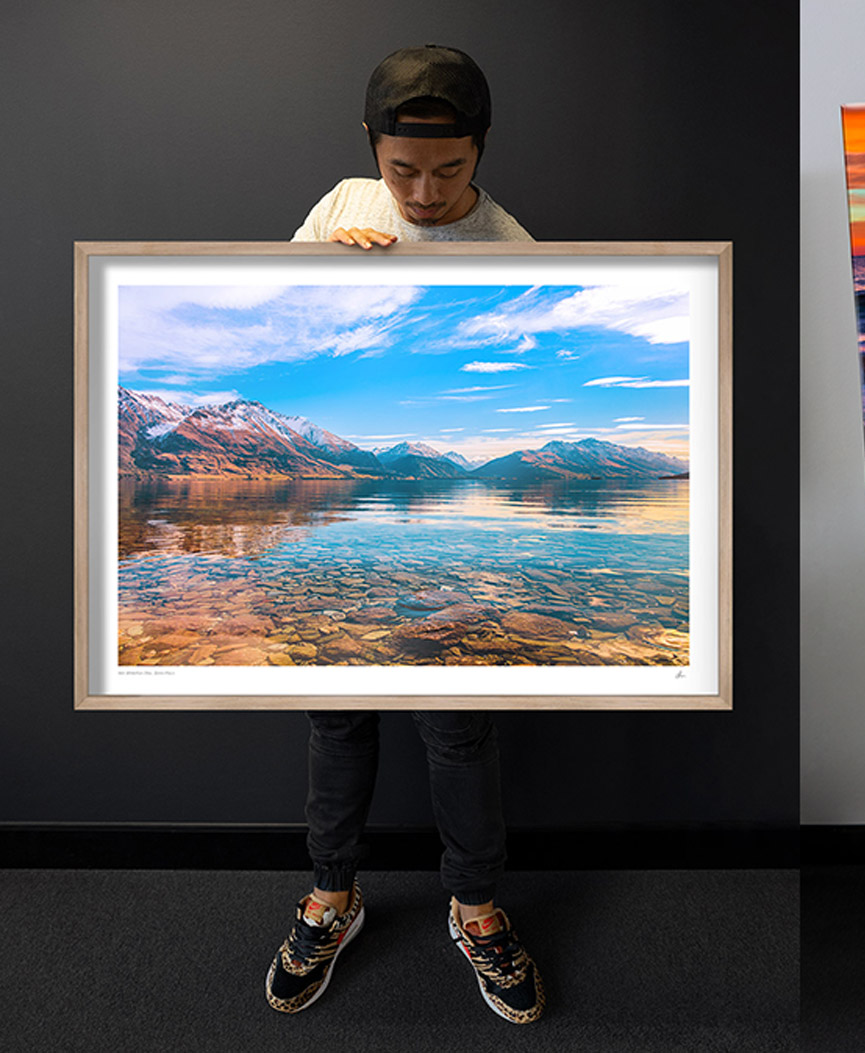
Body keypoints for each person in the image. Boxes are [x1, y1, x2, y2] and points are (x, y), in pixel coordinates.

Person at [265, 45, 541, 1025]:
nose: (423, 192)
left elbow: (523, 368)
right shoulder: (340, 206)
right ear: (373, 151)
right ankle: (330, 896)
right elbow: (277, 320)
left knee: (458, 730)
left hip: (446, 555)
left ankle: (475, 907)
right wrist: (320, 269)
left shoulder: (512, 249)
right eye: (402, 170)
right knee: (336, 717)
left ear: (481, 153)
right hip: (349, 555)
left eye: (450, 171)